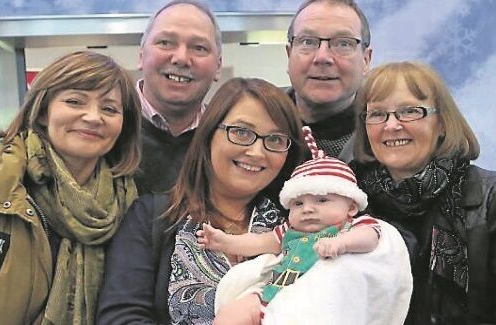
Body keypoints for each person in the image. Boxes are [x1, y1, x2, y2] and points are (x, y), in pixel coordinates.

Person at [0, 51, 141, 324]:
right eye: (75, 101)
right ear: (42, 111)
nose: (93, 117)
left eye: (109, 109)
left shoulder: (131, 204)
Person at [351, 61, 496, 324]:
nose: (391, 125)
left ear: (442, 122)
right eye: (377, 114)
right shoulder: (348, 200)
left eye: (410, 111)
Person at [97, 77, 305, 324]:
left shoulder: (300, 226)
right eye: (241, 132)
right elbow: (122, 316)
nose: (256, 152)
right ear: (208, 134)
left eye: (275, 139)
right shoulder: (152, 216)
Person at [197, 127, 381, 324]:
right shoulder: (289, 231)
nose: (307, 209)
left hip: (317, 306)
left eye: (321, 200)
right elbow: (258, 242)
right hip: (273, 296)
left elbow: (371, 236)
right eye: (298, 203)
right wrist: (224, 241)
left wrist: (342, 244)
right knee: (232, 313)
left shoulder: (350, 227)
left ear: (352, 206)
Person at [134, 0, 222, 195]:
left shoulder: (228, 141)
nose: (181, 58)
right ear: (141, 56)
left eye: (199, 48)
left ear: (218, 66)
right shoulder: (104, 129)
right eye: (165, 43)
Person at [286, 0, 372, 160]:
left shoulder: (391, 131)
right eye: (307, 42)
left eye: (343, 43)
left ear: (366, 59)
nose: (322, 57)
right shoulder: (255, 117)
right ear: (289, 54)